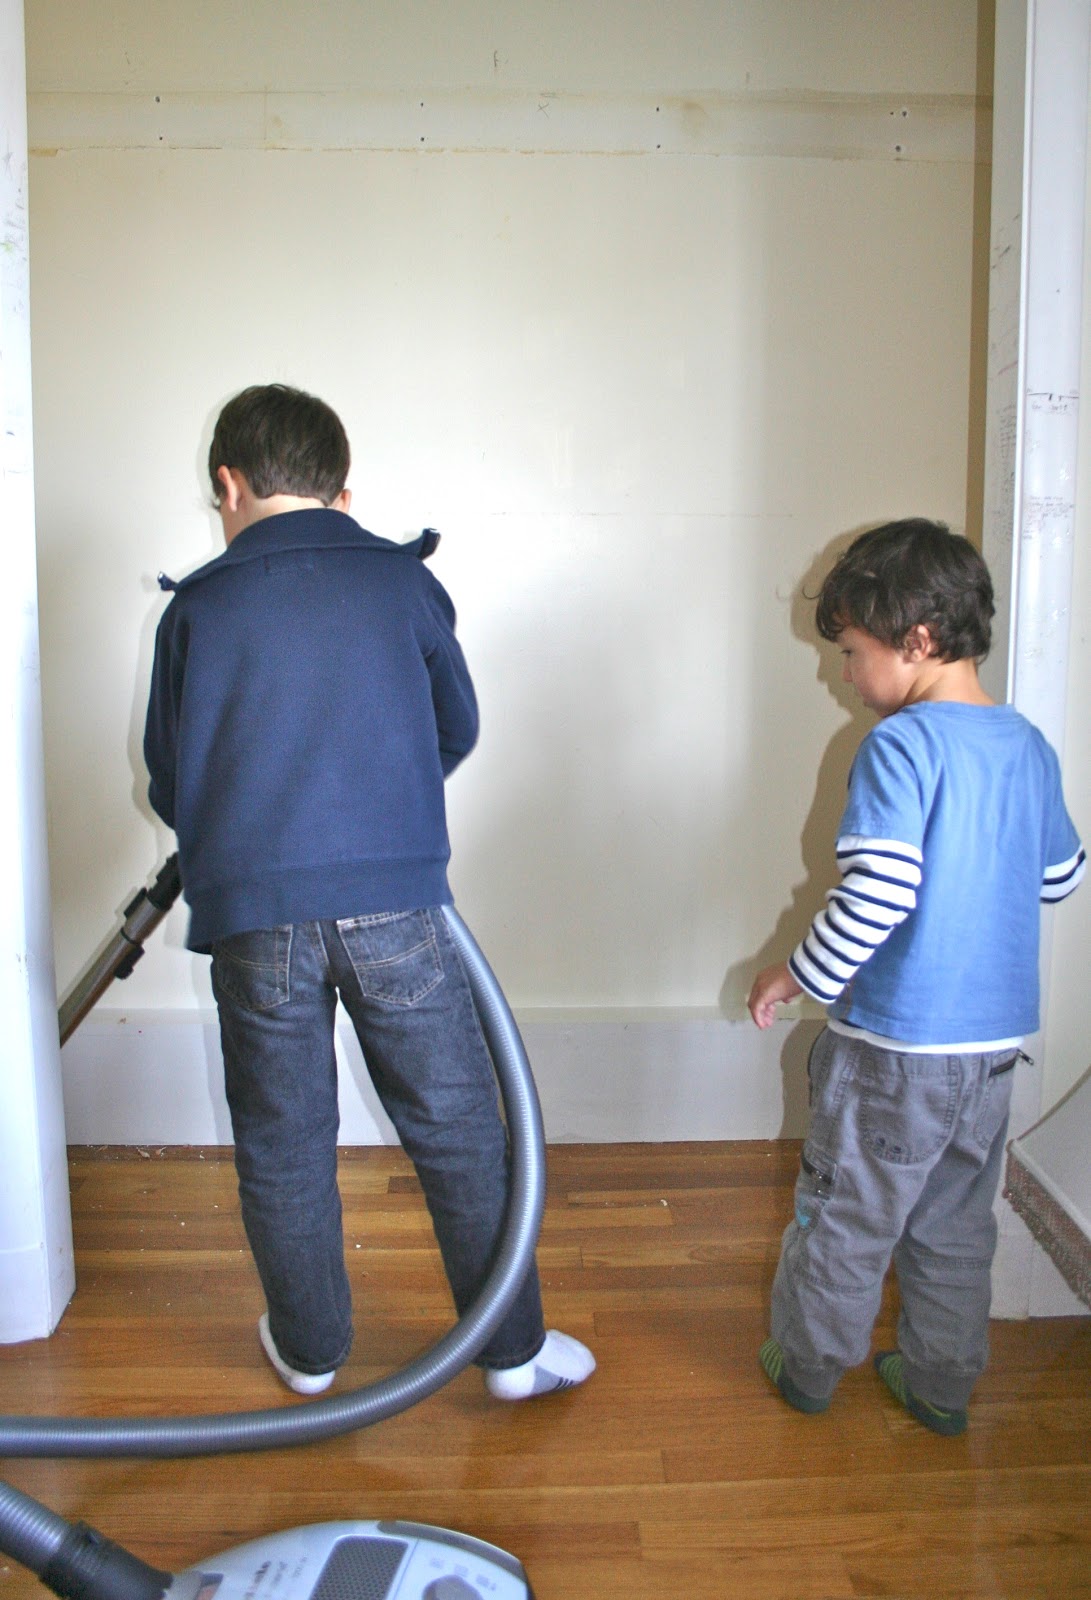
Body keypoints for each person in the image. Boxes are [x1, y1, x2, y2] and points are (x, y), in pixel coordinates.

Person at [144, 383, 595, 1401]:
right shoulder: (400, 582)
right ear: (343, 493)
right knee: (457, 1128)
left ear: (228, 485)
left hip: (254, 920)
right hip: (396, 906)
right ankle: (512, 1352)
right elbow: (454, 726)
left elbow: (171, 779)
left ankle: (310, 1354)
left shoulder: (199, 607)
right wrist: (378, 803)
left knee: (283, 1139)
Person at [747, 518, 1084, 1435]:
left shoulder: (899, 747)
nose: (844, 675)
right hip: (989, 1052)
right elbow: (1060, 877)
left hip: (895, 1050)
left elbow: (877, 896)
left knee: (845, 1214)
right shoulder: (1026, 745)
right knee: (956, 1223)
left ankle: (808, 1367)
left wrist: (795, 975)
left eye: (852, 652)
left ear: (917, 640)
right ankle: (939, 1385)